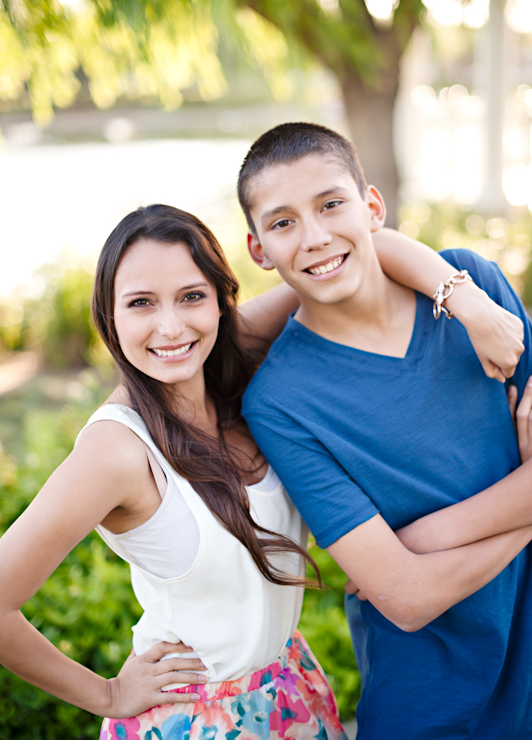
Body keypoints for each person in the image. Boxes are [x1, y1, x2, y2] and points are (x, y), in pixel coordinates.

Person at [0, 203, 523, 739]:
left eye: (192, 296)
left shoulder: (233, 369)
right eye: (140, 303)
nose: (171, 327)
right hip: (191, 718)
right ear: (109, 317)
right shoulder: (116, 449)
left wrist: (470, 305)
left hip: (287, 692)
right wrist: (107, 694)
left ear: (221, 302)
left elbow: (368, 248)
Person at [239, 122, 532, 739]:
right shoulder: (279, 402)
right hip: (432, 708)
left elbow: (405, 572)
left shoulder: (470, 286)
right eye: (283, 222)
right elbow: (406, 598)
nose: (315, 237)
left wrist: (428, 536)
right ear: (259, 249)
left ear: (372, 207)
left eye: (331, 204)